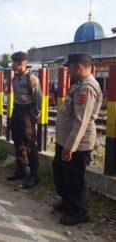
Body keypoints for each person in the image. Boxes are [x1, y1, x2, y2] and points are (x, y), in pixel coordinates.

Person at [53, 53, 102, 226]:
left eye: (69, 67)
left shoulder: (87, 88)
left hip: (77, 144)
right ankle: (67, 203)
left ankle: (79, 212)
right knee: (62, 173)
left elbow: (81, 121)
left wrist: (70, 147)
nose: (67, 71)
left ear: (78, 67)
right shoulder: (79, 85)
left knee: (74, 178)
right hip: (66, 140)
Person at [7, 51, 42, 189]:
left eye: (13, 62)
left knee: (29, 143)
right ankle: (21, 170)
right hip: (17, 110)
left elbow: (37, 98)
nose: (12, 64)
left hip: (27, 112)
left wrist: (35, 114)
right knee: (18, 141)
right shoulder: (15, 79)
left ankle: (34, 175)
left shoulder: (32, 79)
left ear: (20, 63)